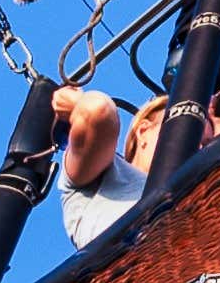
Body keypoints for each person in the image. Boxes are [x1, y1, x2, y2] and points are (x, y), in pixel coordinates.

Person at [40, 79, 151, 247]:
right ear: (144, 131)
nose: (198, 147)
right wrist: (78, 105)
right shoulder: (107, 171)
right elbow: (98, 111)